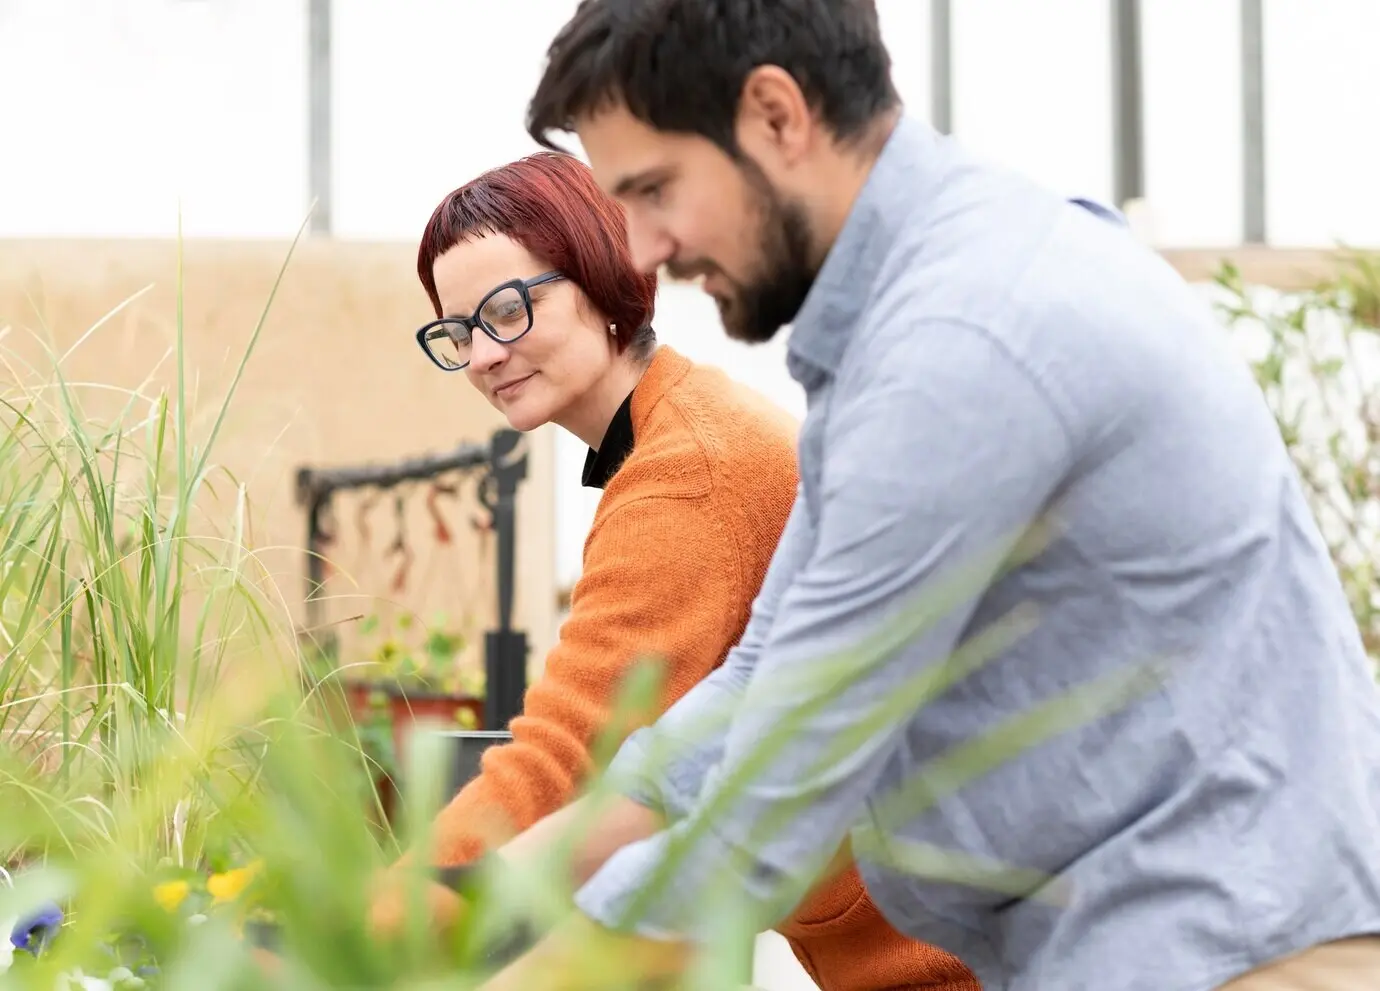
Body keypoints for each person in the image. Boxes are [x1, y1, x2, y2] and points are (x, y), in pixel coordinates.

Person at [475, 1, 1380, 989]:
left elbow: (775, 800)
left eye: (656, 191)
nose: (644, 248)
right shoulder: (922, 303)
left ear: (777, 115)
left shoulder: (963, 341)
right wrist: (486, 889)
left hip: (1239, 952)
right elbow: (760, 686)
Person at [373, 150, 980, 991]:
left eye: (507, 310)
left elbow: (569, 761)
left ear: (599, 273)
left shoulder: (687, 473)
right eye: (458, 331)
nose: (481, 353)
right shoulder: (685, 426)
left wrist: (362, 928)